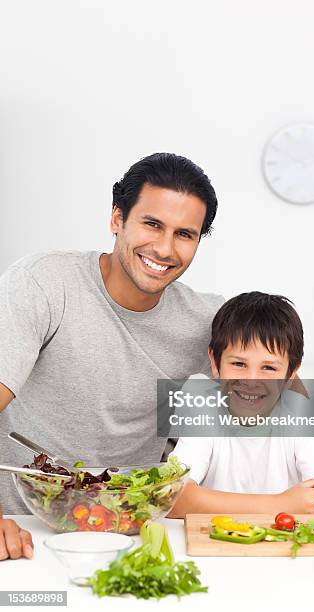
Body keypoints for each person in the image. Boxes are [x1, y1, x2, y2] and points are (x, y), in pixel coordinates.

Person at [0, 153, 224, 560]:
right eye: (152, 224)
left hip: (137, 534)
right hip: (27, 531)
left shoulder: (204, 321)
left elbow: (275, 396)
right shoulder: (44, 284)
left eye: (184, 234)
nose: (164, 248)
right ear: (117, 219)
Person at [168, 292, 314, 518]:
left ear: (290, 374)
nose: (251, 381)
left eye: (269, 368)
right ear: (215, 363)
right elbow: (172, 498)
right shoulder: (204, 413)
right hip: (216, 545)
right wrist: (280, 504)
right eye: (238, 364)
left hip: (284, 547)